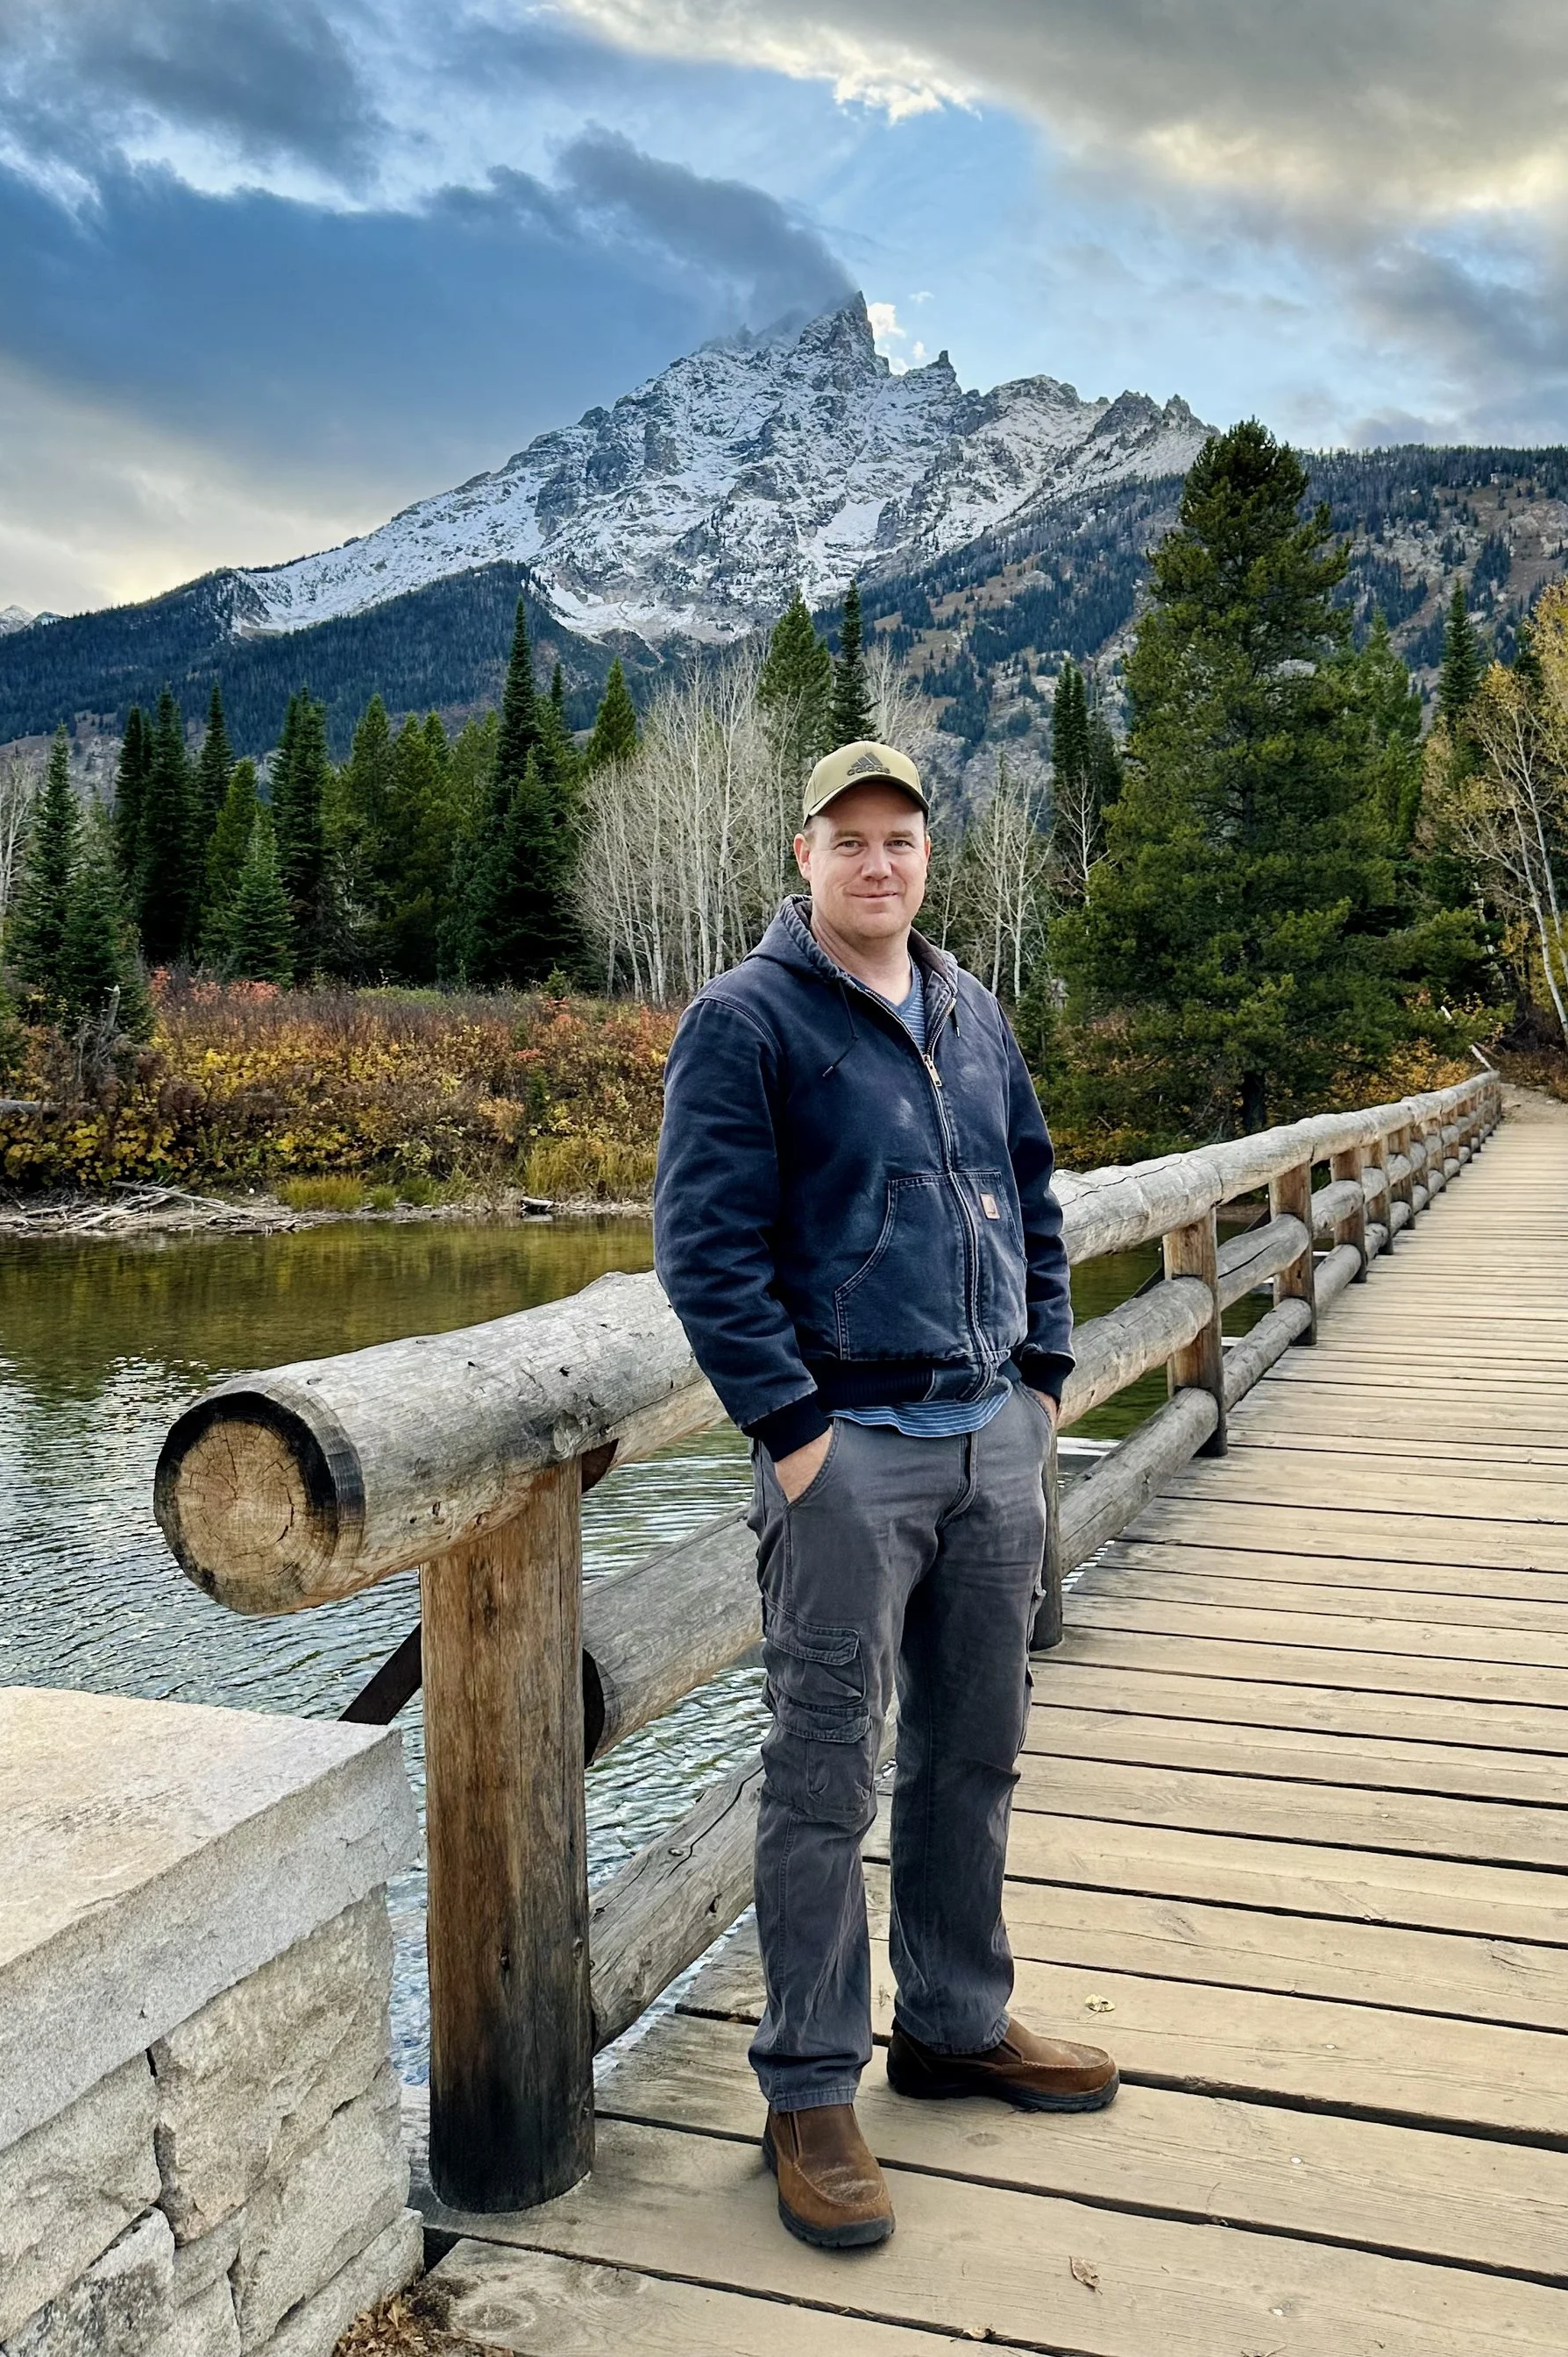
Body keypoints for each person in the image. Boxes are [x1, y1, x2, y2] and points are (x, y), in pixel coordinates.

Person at [654, 737, 1117, 2254]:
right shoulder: (745, 1020)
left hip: (990, 1438)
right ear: (803, 856)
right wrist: (796, 1436)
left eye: (899, 839)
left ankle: (955, 2022)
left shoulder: (974, 1009)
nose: (875, 862)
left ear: (928, 855)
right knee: (821, 1777)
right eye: (846, 840)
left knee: (973, 1753)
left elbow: (1030, 1191)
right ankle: (807, 2084)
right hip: (847, 1454)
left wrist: (1043, 1379)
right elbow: (705, 1250)